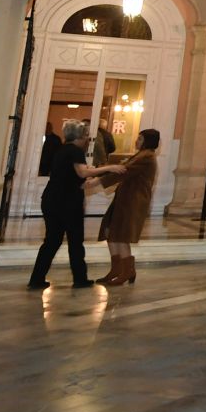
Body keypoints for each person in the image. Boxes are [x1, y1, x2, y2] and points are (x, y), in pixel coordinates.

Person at [28, 120, 118, 290]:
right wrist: (110, 168)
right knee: (75, 241)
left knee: (52, 241)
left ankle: (36, 279)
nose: (87, 140)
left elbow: (72, 174)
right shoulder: (75, 151)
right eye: (85, 136)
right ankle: (80, 279)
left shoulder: (62, 149)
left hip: (51, 199)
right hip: (67, 203)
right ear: (78, 137)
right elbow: (82, 172)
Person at [93, 128, 158, 286]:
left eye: (140, 139)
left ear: (148, 141)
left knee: (121, 235)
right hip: (124, 199)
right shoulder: (141, 154)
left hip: (132, 201)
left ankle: (127, 271)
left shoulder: (147, 156)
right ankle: (117, 269)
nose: (137, 141)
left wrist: (97, 181)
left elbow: (123, 172)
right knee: (111, 232)